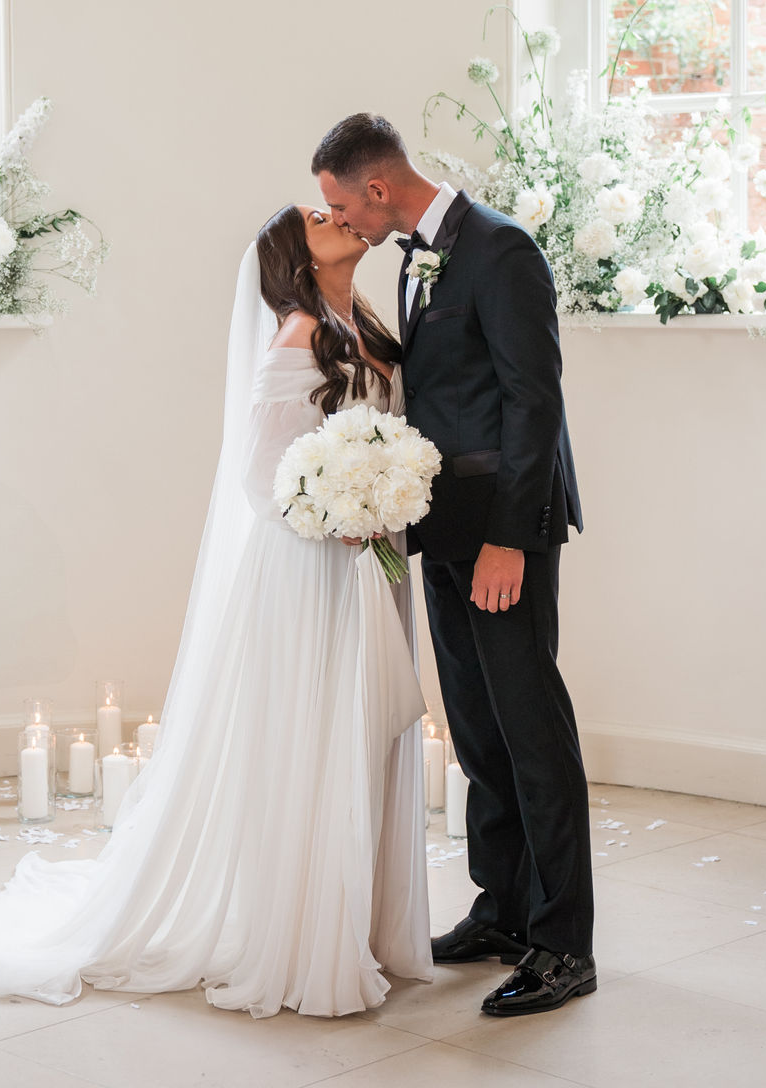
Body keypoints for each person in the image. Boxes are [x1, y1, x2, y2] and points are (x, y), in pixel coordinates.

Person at [0, 205, 433, 1018]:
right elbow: (263, 480)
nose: (338, 217)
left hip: (367, 561)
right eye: (319, 215)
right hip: (312, 570)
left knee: (361, 736)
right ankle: (299, 939)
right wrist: (344, 510)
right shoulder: (296, 337)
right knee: (311, 738)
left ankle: (358, 921)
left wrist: (382, 503)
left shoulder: (361, 320)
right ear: (296, 256)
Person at [312, 113, 595, 1019]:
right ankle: (504, 910)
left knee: (532, 732)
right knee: (476, 733)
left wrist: (512, 537)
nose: (343, 219)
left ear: (379, 189)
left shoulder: (503, 250)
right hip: (442, 530)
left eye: (341, 203)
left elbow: (534, 400)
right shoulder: (414, 256)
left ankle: (563, 944)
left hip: (504, 538)